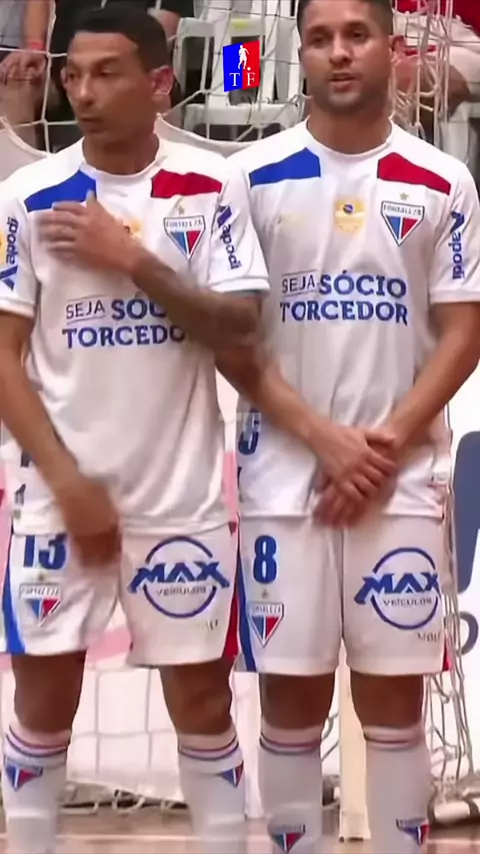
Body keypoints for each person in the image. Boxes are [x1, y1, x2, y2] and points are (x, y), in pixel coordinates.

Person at [0, 5, 271, 853]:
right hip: (59, 499)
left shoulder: (211, 185)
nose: (83, 92)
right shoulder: (27, 197)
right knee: (42, 704)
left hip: (181, 501)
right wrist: (68, 482)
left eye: (106, 73)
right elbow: (3, 355)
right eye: (73, 75)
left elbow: (240, 324)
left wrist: (132, 261)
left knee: (204, 706)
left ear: (159, 84)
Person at [226, 0, 480, 852]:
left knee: (395, 703)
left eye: (356, 35)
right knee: (290, 701)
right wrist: (325, 440)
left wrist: (383, 444)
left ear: (390, 46)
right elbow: (233, 341)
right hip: (282, 483)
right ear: (300, 52)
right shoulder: (249, 178)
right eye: (321, 38)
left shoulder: (443, 180)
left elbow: (464, 331)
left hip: (400, 485)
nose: (339, 53)